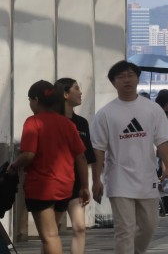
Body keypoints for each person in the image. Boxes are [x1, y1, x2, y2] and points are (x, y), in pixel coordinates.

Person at [92, 60, 168, 254]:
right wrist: (96, 180)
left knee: (149, 226)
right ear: (114, 83)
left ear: (138, 79)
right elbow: (98, 151)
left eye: (131, 75)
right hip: (118, 179)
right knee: (125, 230)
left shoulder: (152, 109)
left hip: (147, 178)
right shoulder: (105, 114)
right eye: (121, 77)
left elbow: (163, 142)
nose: (127, 80)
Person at [6, 81, 90, 254]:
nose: (30, 104)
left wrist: (14, 166)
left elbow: (29, 154)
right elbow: (80, 156)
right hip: (65, 187)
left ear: (36, 100)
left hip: (41, 187)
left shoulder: (33, 122)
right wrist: (84, 186)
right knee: (51, 234)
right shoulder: (68, 124)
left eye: (30, 100)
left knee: (50, 236)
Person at [56, 77, 101, 254]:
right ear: (65, 94)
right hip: (56, 182)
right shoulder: (52, 121)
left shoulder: (82, 123)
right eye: (76, 88)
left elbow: (87, 156)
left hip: (76, 183)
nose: (81, 92)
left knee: (80, 227)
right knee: (51, 231)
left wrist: (89, 183)